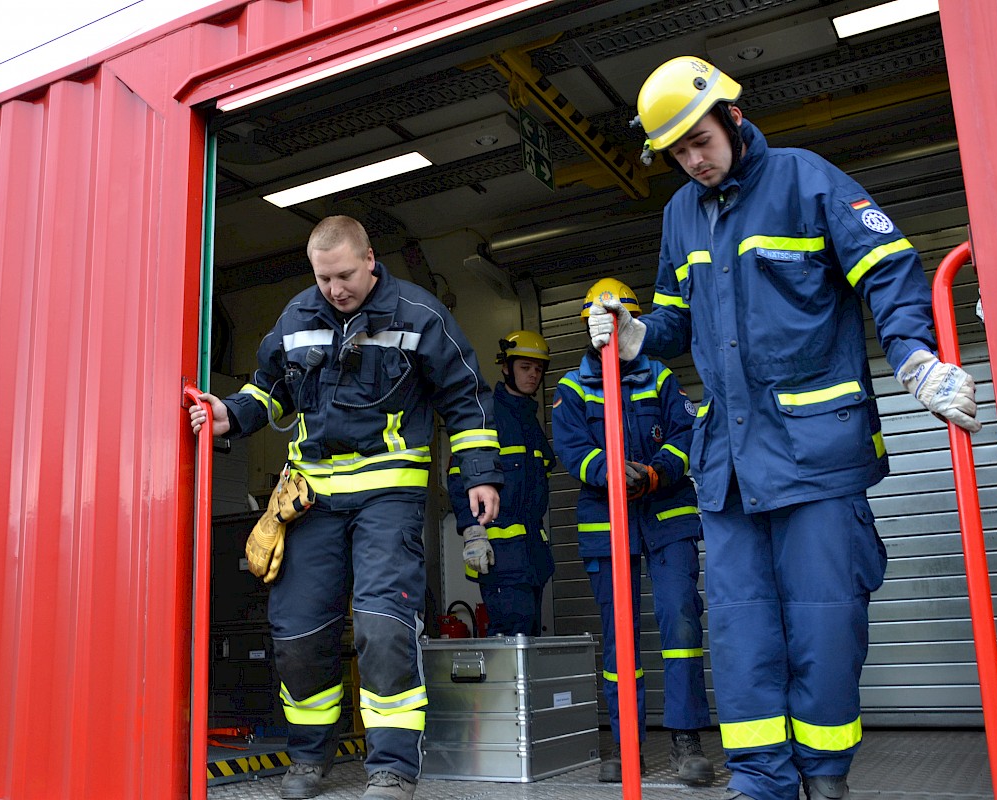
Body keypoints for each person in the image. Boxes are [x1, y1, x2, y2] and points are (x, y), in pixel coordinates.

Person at [587, 57, 982, 800]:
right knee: (741, 640)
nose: (693, 162)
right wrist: (639, 334)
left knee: (824, 632)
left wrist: (915, 358)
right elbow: (678, 316)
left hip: (817, 458)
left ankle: (825, 780)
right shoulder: (680, 213)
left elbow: (890, 268)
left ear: (733, 118)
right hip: (730, 471)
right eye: (677, 154)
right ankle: (761, 784)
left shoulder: (808, 180)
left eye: (700, 142)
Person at [189, 215, 502, 800]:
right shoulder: (296, 319)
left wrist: (479, 476)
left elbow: (465, 397)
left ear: (370, 261)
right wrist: (230, 413)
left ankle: (392, 768)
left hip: (389, 496)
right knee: (298, 634)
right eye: (324, 278)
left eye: (344, 276)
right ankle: (309, 758)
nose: (335, 289)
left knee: (383, 631)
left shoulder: (419, 314)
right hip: (311, 501)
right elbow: (267, 389)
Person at [552, 278, 715, 787]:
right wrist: (609, 470)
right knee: (618, 639)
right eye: (601, 322)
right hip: (608, 525)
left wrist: (656, 472)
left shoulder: (661, 377)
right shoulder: (572, 388)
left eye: (621, 320)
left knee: (681, 625)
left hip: (667, 520)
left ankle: (685, 741)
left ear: (632, 322)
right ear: (588, 325)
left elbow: (688, 435)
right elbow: (572, 450)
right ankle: (628, 747)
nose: (610, 330)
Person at [448, 330, 556, 637]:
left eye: (538, 369)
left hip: (532, 559)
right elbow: (458, 476)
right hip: (498, 556)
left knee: (528, 645)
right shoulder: (487, 415)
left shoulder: (529, 420)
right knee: (510, 641)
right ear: (506, 367)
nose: (533, 374)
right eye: (525, 367)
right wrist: (471, 530)